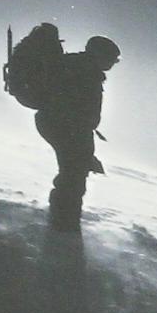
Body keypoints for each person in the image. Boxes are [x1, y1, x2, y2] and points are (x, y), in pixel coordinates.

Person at [24, 32, 118, 232]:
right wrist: (82, 146)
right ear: (100, 55)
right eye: (112, 59)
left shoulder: (75, 65)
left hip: (58, 125)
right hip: (66, 127)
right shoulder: (85, 72)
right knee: (72, 177)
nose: (113, 64)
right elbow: (75, 108)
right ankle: (63, 225)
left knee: (72, 174)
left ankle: (63, 221)